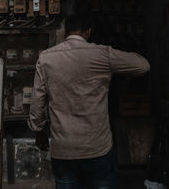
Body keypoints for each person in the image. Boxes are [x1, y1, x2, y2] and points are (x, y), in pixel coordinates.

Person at [27, 14, 150, 189]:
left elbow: (37, 101)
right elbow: (143, 66)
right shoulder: (102, 54)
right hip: (97, 147)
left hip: (63, 148)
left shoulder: (46, 58)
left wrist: (38, 132)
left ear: (64, 33)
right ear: (89, 32)